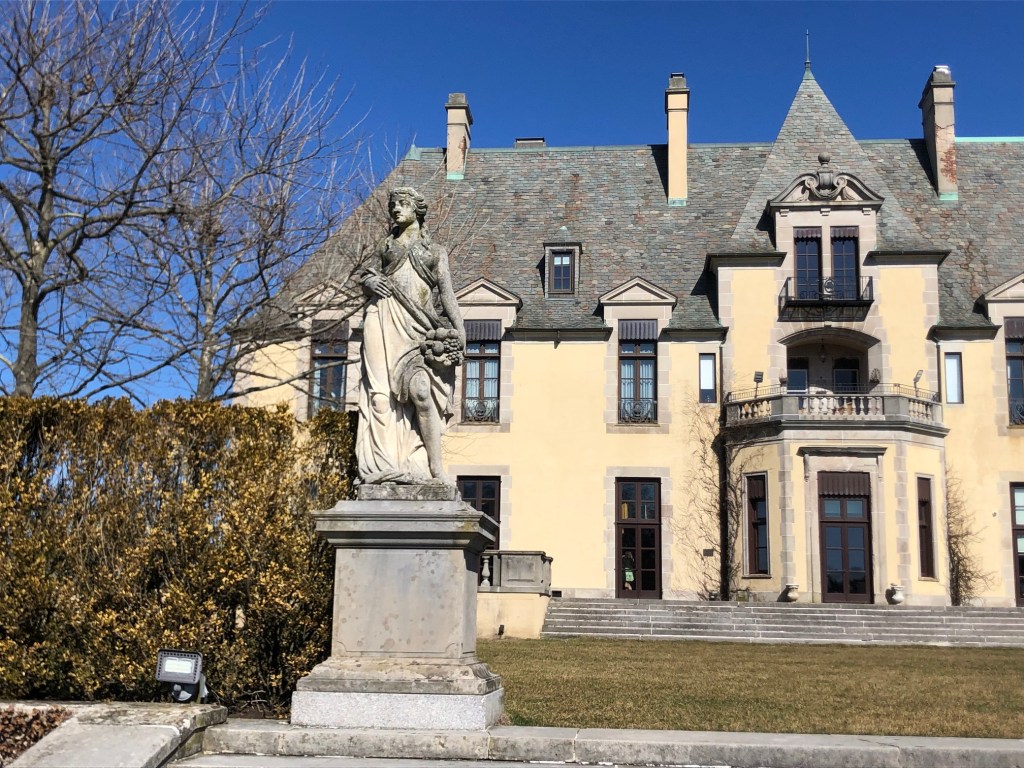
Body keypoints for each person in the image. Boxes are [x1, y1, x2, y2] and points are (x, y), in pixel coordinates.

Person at [355, 187, 466, 485]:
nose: (396, 209)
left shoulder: (435, 251)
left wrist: (461, 330)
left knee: (421, 392)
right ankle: (386, 465)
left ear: (417, 209)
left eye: (403, 204)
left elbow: (447, 294)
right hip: (383, 321)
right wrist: (369, 283)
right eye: (393, 204)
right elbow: (365, 277)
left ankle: (434, 466)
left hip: (419, 330)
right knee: (380, 398)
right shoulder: (385, 246)